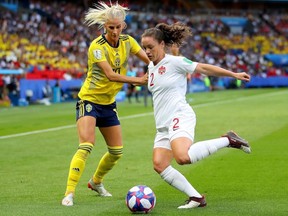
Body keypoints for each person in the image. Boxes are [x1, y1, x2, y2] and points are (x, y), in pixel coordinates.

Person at [141, 22, 251, 209]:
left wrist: (233, 74)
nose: (147, 51)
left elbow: (204, 68)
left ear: (161, 44)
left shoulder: (174, 62)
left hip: (180, 115)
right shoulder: (151, 68)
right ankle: (196, 198)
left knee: (183, 157)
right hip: (162, 125)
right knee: (160, 164)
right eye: (144, 48)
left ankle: (228, 140)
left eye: (150, 47)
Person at [61, 2, 150, 206]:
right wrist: (139, 80)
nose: (115, 31)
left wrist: (165, 65)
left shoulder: (129, 42)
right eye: (111, 27)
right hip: (89, 100)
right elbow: (110, 75)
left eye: (118, 27)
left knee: (117, 151)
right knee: (86, 145)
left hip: (108, 104)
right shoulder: (97, 47)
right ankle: (69, 193)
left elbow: (149, 60)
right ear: (104, 27)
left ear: (124, 26)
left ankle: (96, 182)